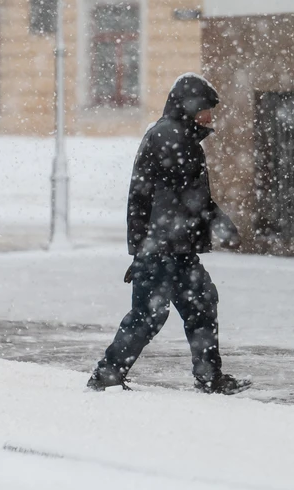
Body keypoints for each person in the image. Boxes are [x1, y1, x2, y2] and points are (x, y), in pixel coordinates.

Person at [87, 73, 251, 395]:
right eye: (205, 108)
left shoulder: (177, 136)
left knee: (201, 304)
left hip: (173, 247)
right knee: (149, 315)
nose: (210, 116)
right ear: (190, 106)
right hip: (165, 247)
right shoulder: (171, 139)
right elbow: (179, 199)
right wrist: (217, 225)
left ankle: (209, 377)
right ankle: (107, 373)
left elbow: (159, 198)